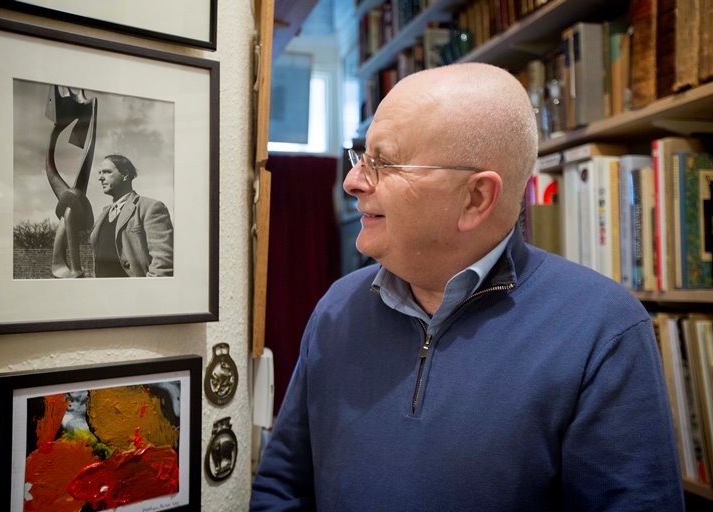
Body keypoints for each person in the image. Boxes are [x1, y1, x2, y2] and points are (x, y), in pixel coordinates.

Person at [250, 63, 683, 511]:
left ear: (475, 198)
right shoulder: (337, 307)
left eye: (384, 162)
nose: (353, 181)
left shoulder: (602, 330)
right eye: (361, 157)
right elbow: (281, 488)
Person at [90, 154, 174, 277]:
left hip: (134, 293)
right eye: (100, 172)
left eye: (107, 172)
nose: (100, 178)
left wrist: (144, 292)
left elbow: (163, 263)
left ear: (125, 175)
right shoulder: (104, 213)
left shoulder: (151, 208)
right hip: (102, 292)